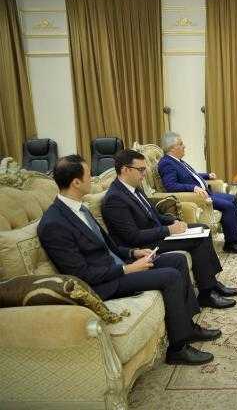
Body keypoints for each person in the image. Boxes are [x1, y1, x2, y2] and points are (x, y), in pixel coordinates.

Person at [37, 155, 218, 365]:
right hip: (104, 283)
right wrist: (128, 269)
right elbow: (82, 275)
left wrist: (133, 254)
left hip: (117, 266)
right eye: (88, 175)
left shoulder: (78, 208)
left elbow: (109, 247)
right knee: (170, 276)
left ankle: (188, 327)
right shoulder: (54, 223)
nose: (92, 178)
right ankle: (177, 349)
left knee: (177, 260)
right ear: (76, 182)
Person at [101, 149, 237, 310]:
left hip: (157, 234)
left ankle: (212, 283)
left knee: (202, 229)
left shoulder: (134, 187)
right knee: (198, 239)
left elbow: (153, 215)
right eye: (141, 170)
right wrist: (169, 230)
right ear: (125, 170)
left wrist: (172, 220)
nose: (144, 174)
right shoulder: (115, 198)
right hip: (144, 244)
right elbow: (133, 237)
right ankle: (206, 294)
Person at [157, 132, 237, 254]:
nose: (184, 146)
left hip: (206, 193)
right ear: (172, 148)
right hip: (196, 198)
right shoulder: (166, 163)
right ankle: (231, 244)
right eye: (181, 144)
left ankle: (235, 236)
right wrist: (193, 188)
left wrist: (207, 175)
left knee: (232, 198)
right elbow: (171, 186)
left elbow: (191, 175)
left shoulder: (177, 161)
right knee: (227, 206)